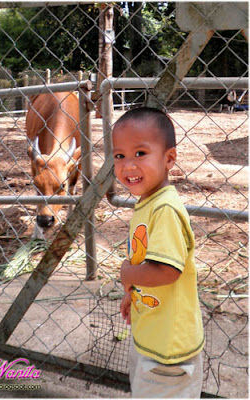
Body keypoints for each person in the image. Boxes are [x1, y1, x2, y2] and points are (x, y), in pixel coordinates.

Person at [112, 107, 205, 398]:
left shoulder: (164, 209)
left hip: (168, 354)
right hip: (153, 338)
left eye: (140, 153)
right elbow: (149, 261)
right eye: (119, 156)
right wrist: (133, 291)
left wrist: (127, 272)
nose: (128, 166)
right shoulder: (149, 203)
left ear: (169, 159)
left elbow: (167, 270)